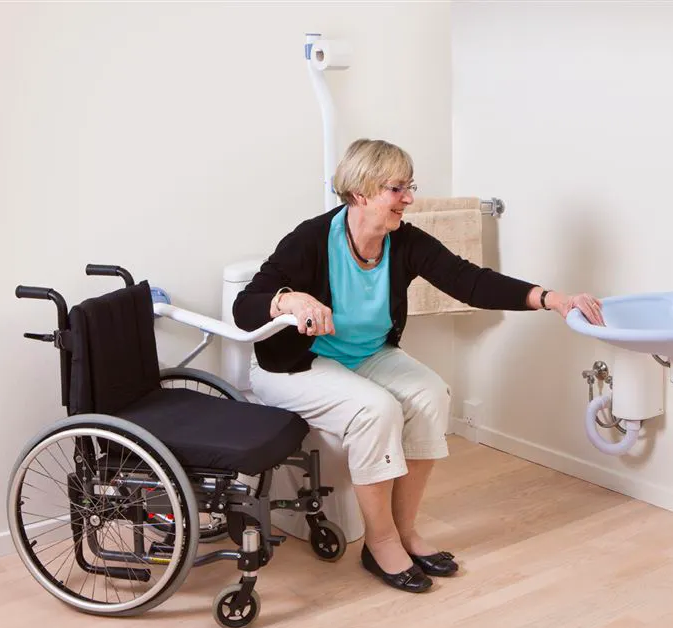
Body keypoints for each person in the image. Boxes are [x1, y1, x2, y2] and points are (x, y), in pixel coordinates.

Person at [234, 138, 604, 593]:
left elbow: (468, 280)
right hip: (294, 366)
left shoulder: (403, 241)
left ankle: (404, 531)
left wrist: (552, 299)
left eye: (410, 187)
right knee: (376, 410)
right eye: (397, 188)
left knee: (431, 395)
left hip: (365, 357)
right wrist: (290, 299)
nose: (409, 198)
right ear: (360, 193)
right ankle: (381, 541)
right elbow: (244, 307)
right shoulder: (310, 240)